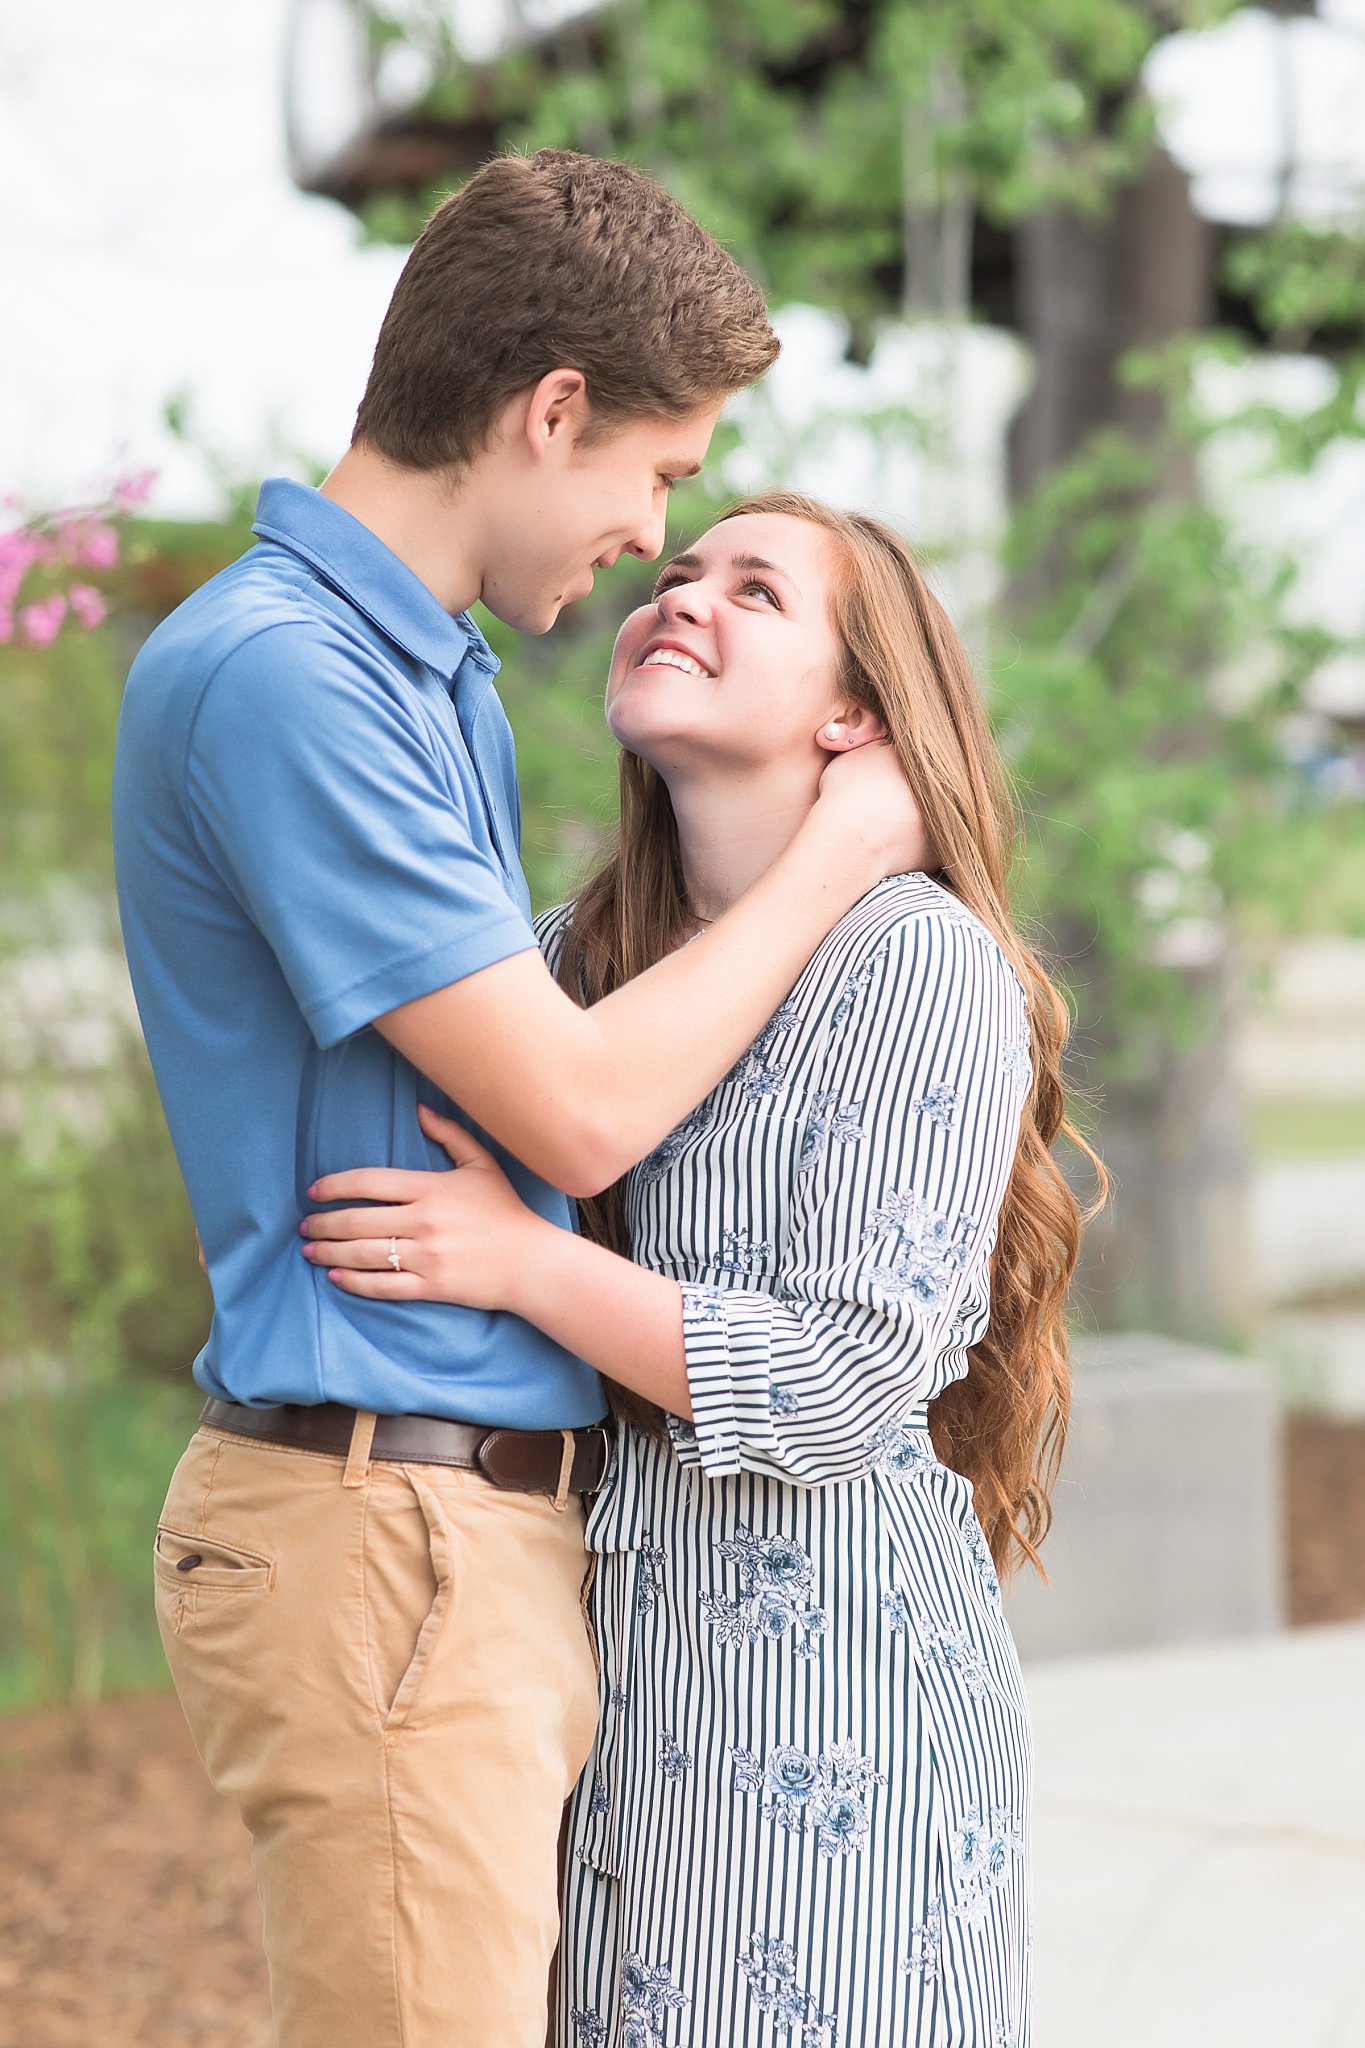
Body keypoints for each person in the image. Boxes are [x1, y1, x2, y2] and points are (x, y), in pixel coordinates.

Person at [112, 156, 928, 2048]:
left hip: (452, 1537)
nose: (654, 532)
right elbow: (573, 1113)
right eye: (660, 471)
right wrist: (846, 850)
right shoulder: (284, 679)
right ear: (551, 410)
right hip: (381, 1528)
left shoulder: (431, 678)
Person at [302, 492, 1102, 2047]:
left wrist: (522, 1264)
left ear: (854, 717)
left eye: (755, 592)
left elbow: (841, 1382)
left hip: (830, 1723)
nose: (681, 596)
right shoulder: (570, 966)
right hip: (598, 1677)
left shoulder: (914, 962)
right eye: (674, 573)